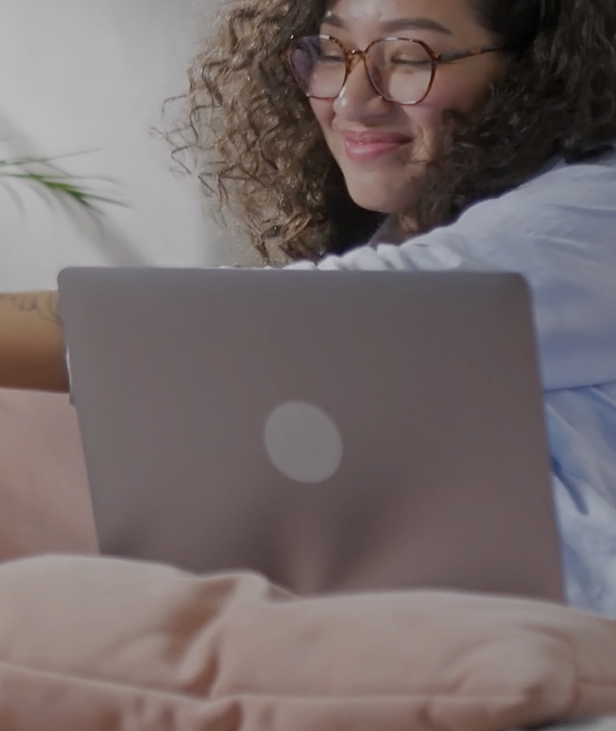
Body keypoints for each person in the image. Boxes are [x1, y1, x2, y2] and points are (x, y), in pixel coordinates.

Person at [1, 0, 616, 616]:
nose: (351, 100)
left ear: (541, 69)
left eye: (407, 58)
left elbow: (308, 322)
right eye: (329, 51)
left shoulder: (595, 210)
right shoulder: (411, 237)